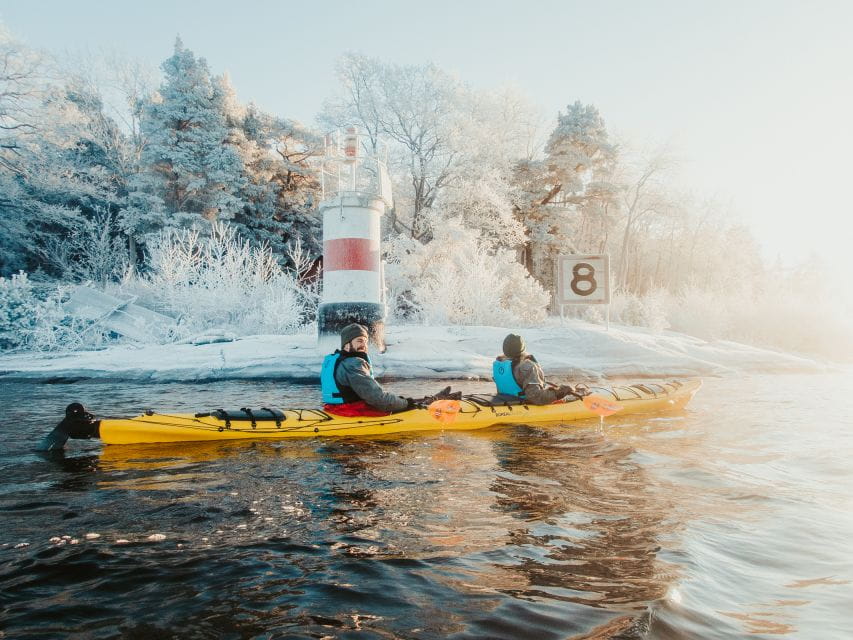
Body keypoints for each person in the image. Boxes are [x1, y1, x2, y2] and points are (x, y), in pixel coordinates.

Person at [321, 323, 414, 417]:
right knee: (405, 407)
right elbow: (377, 398)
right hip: (351, 411)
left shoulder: (336, 360)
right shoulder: (353, 364)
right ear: (347, 344)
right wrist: (406, 403)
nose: (364, 345)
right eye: (359, 341)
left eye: (366, 341)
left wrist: (399, 400)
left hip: (332, 409)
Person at [493, 333, 576, 405]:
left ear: (504, 348)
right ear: (523, 349)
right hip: (522, 403)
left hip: (506, 399)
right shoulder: (528, 367)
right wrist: (559, 392)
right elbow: (536, 397)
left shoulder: (499, 363)